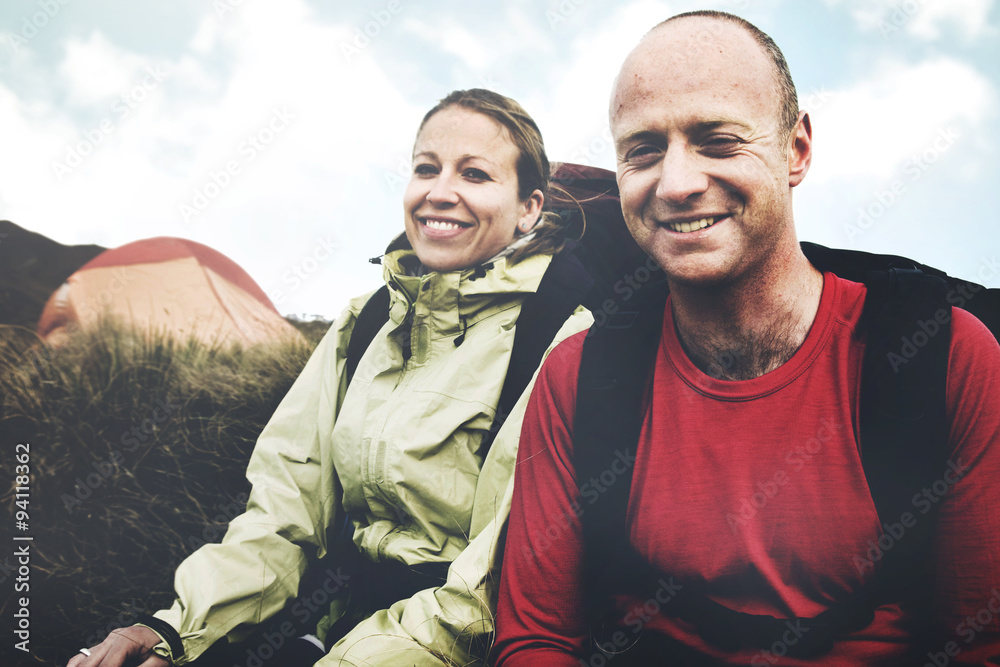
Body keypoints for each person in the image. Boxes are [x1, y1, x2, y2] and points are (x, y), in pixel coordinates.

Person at [493, 10, 1000, 666]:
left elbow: (982, 642)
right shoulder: (578, 377)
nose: (677, 184)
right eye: (643, 149)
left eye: (718, 139)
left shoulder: (945, 357)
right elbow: (538, 640)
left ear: (797, 149)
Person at [66, 88, 592, 667]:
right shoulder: (365, 321)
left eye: (475, 174)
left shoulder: (560, 337)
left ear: (529, 208)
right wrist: (177, 632)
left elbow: (489, 586)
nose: (440, 192)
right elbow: (284, 514)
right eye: (425, 168)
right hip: (329, 615)